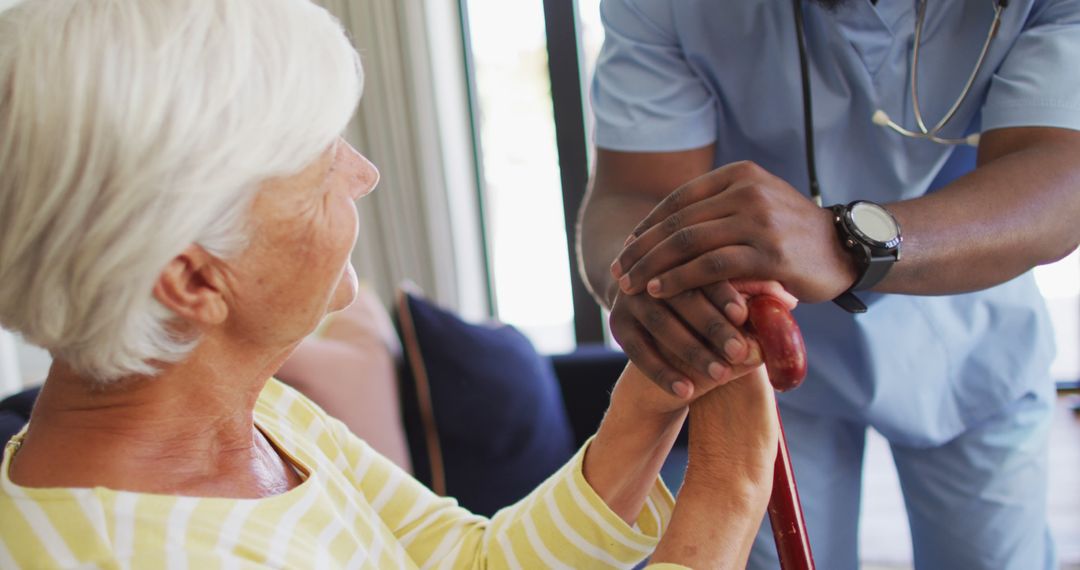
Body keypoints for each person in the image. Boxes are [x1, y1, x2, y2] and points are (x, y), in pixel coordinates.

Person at [0, 0, 784, 567]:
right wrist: (729, 483)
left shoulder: (258, 412)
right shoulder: (135, 554)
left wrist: (654, 392)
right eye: (317, 166)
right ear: (194, 277)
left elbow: (473, 562)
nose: (364, 173)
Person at [578, 1, 1080, 569]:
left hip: (970, 326)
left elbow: (1063, 176)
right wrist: (643, 278)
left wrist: (848, 241)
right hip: (762, 349)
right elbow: (635, 193)